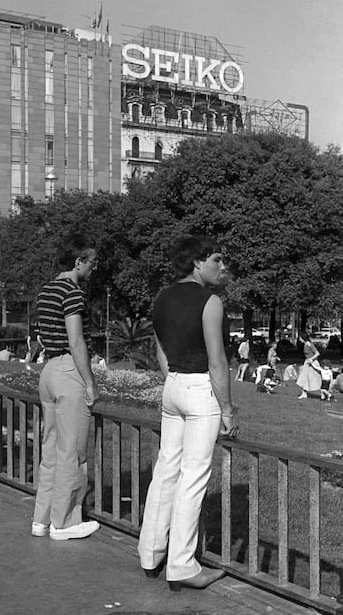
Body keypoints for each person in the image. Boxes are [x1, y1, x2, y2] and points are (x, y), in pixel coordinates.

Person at [138, 235, 238, 592]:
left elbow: (160, 349)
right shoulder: (211, 301)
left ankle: (150, 553)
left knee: (166, 470)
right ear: (198, 263)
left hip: (174, 386)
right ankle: (181, 566)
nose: (222, 267)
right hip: (199, 391)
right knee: (193, 478)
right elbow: (217, 360)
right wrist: (227, 409)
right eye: (217, 259)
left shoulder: (162, 297)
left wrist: (174, 380)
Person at [32, 234, 101, 541]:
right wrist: (90, 382)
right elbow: (76, 340)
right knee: (73, 452)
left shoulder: (45, 291)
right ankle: (65, 522)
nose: (94, 268)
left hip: (47, 370)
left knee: (51, 450)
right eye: (92, 262)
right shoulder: (72, 292)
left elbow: (40, 336)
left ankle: (41, 519)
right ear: (79, 262)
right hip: (67, 370)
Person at [295, 331, 322, 399]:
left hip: (312, 363)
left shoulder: (309, 344)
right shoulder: (305, 344)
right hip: (307, 363)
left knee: (316, 378)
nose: (300, 339)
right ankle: (304, 393)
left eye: (300, 338)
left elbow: (317, 353)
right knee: (305, 378)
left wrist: (311, 359)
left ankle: (324, 393)